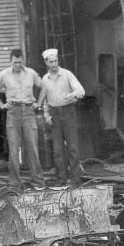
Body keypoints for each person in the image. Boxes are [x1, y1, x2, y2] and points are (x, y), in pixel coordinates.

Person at [0, 48, 46, 191]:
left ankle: (38, 182)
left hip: (28, 111)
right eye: (15, 62)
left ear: (23, 61)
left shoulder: (31, 73)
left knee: (32, 147)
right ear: (10, 61)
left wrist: (38, 103)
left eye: (20, 62)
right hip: (13, 113)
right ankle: (15, 183)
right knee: (14, 149)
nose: (18, 65)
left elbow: (44, 87)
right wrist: (2, 105)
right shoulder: (4, 74)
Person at [37, 47, 84, 186]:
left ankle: (75, 179)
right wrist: (46, 116)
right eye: (51, 62)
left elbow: (81, 91)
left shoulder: (67, 74)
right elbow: (45, 100)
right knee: (58, 151)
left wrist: (71, 96)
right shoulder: (45, 79)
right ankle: (61, 179)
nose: (54, 64)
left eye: (56, 61)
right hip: (54, 115)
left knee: (73, 148)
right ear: (46, 63)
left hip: (68, 112)